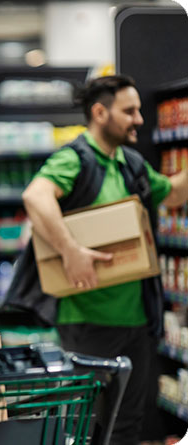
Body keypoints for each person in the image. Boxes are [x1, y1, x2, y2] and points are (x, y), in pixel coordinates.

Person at [19, 75, 188, 445]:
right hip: (87, 319)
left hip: (137, 320)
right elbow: (36, 196)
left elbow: (173, 194)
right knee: (82, 425)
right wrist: (70, 251)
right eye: (129, 111)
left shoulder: (131, 164)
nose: (139, 119)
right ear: (100, 112)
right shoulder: (75, 160)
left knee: (127, 425)